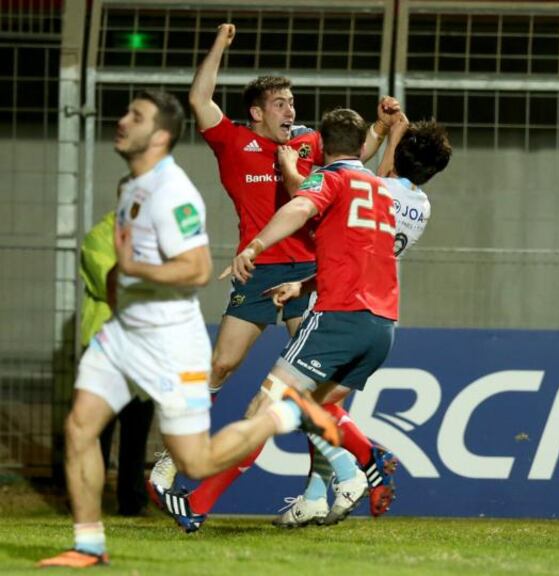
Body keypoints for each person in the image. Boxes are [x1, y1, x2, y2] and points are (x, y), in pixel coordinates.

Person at [37, 89, 338, 568]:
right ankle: (89, 544)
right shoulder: (131, 187)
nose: (121, 121)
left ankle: (284, 416)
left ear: (157, 136)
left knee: (196, 460)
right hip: (122, 336)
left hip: (169, 338)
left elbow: (197, 269)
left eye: (134, 116)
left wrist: (136, 269)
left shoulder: (173, 192)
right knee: (79, 428)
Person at [147, 23, 393, 517]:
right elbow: (199, 98)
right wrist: (219, 43)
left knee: (307, 389)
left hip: (306, 271)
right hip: (257, 270)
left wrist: (383, 128)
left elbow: (352, 157)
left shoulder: (306, 144)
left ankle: (323, 488)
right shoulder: (232, 141)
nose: (291, 110)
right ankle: (175, 458)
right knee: (221, 364)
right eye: (280, 102)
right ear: (257, 111)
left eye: (292, 101)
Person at [270, 115, 452, 527]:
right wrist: (396, 134)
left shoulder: (371, 186)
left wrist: (289, 168)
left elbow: (312, 192)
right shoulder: (420, 206)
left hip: (343, 301)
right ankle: (316, 495)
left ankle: (357, 470)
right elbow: (388, 176)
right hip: (378, 311)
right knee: (323, 408)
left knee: (301, 404)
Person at [81, 208, 156, 517]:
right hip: (104, 342)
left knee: (137, 428)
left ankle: (132, 500)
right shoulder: (100, 236)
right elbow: (112, 284)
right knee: (96, 429)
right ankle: (88, 499)